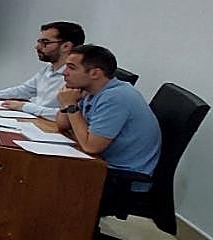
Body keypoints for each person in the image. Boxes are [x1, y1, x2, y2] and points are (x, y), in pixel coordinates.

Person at [56, 44, 161, 183]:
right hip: (101, 164)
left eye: (71, 68)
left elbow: (91, 147)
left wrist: (71, 106)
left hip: (121, 176)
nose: (64, 72)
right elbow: (62, 125)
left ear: (95, 73)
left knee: (49, 173)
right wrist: (67, 102)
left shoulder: (115, 97)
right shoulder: (90, 90)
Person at [0, 21, 85, 120]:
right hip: (37, 120)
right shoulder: (48, 69)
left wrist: (25, 107)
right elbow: (24, 90)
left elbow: (67, 115)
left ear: (66, 46)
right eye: (39, 42)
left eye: (45, 43)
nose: (37, 47)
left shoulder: (77, 78)